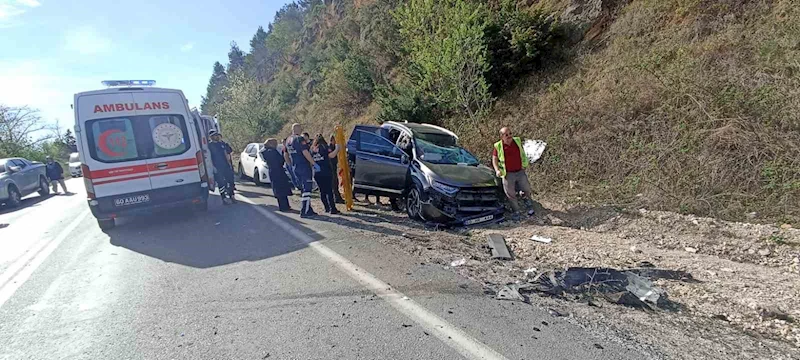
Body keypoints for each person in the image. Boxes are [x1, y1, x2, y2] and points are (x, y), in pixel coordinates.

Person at [492, 126, 535, 221]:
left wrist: (524, 163)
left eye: (510, 133)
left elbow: (523, 153)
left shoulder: (517, 141)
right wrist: (497, 170)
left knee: (526, 189)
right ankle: (516, 211)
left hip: (520, 171)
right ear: (501, 136)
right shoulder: (498, 146)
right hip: (507, 174)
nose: (509, 136)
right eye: (506, 135)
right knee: (510, 194)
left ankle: (528, 204)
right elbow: (494, 159)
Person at [285, 123, 320, 218]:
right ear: (298, 129)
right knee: (307, 189)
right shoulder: (299, 139)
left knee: (303, 189)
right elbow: (305, 153)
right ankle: (304, 211)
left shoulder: (288, 140)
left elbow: (286, 154)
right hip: (304, 166)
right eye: (300, 128)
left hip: (295, 167)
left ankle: (309, 209)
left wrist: (290, 165)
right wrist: (314, 163)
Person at [312, 134, 340, 214]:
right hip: (326, 172)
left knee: (322, 191)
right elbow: (331, 155)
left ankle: (326, 208)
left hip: (317, 173)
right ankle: (333, 209)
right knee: (329, 191)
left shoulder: (312, 149)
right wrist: (337, 148)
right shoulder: (324, 147)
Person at [261, 138, 292, 212]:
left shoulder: (266, 151)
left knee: (279, 189)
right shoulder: (272, 151)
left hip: (273, 171)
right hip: (277, 171)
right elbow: (280, 160)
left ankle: (285, 205)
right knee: (281, 189)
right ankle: (284, 207)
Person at [208, 129, 236, 204]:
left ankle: (232, 195)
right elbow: (208, 157)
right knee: (221, 183)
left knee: (230, 181)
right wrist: (212, 167)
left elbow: (229, 151)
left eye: (216, 135)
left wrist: (230, 165)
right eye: (214, 135)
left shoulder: (222, 144)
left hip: (226, 166)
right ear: (210, 137)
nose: (216, 136)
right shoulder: (209, 146)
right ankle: (224, 198)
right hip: (217, 167)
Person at [328, 134, 345, 204]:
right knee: (333, 183)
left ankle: (337, 197)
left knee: (336, 182)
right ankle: (336, 198)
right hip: (330, 167)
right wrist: (337, 149)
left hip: (334, 167)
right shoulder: (329, 147)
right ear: (332, 140)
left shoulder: (333, 146)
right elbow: (331, 155)